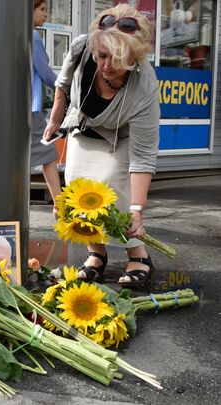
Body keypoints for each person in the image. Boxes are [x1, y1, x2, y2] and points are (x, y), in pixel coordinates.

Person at [43, 4, 160, 288]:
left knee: (117, 192)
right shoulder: (83, 47)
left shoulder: (145, 86)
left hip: (122, 136)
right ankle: (96, 253)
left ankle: (138, 254)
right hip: (83, 126)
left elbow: (143, 156)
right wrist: (55, 118)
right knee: (78, 190)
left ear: (135, 56)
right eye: (103, 56)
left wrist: (137, 208)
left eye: (118, 59)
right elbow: (62, 83)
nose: (107, 66)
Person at [31, 0, 62, 205]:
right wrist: (65, 87)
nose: (46, 15)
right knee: (49, 153)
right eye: (42, 10)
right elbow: (44, 72)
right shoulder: (32, 36)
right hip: (31, 108)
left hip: (15, 107)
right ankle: (60, 205)